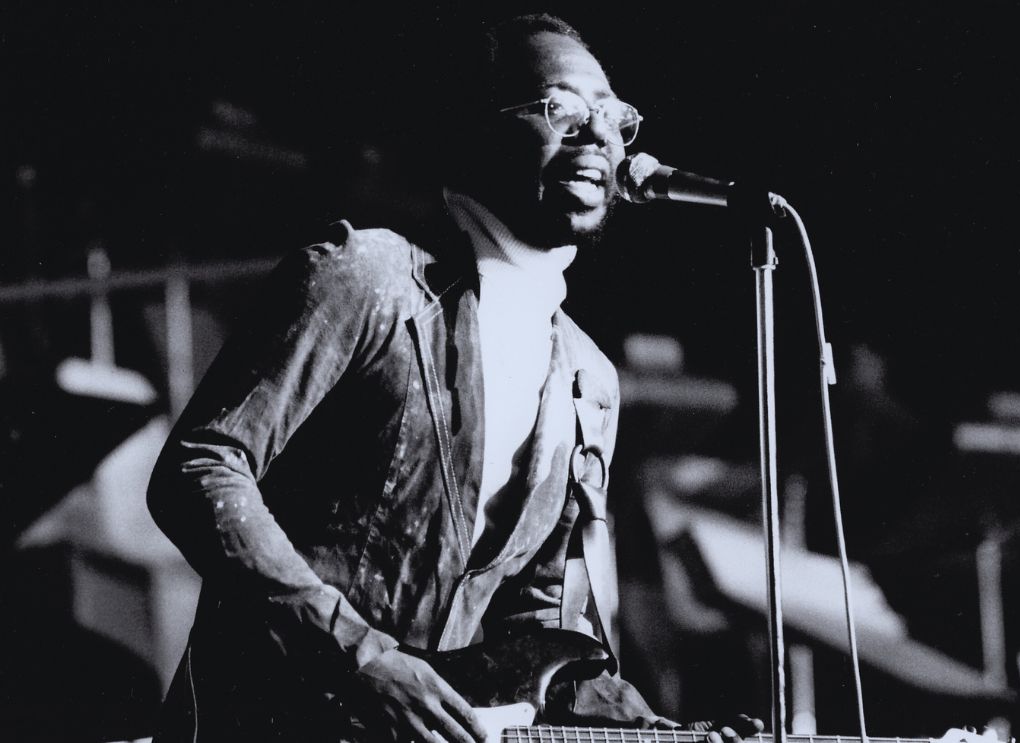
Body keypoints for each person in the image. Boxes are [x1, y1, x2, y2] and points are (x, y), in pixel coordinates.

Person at [147, 13, 764, 743]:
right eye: (561, 108)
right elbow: (200, 466)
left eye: (612, 116)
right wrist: (362, 657)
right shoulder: (368, 278)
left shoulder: (587, 379)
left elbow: (537, 628)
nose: (597, 134)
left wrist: (658, 730)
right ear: (478, 130)